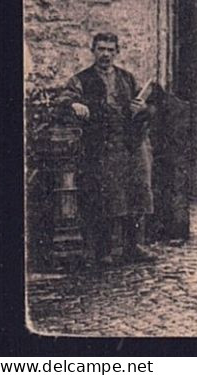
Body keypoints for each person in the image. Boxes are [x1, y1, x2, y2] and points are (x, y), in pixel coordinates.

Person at [58, 31, 154, 265]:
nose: (106, 55)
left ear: (117, 52)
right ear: (93, 51)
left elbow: (147, 107)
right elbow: (63, 100)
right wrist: (75, 104)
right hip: (101, 144)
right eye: (101, 49)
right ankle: (104, 250)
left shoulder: (127, 78)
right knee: (105, 196)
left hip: (130, 142)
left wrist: (142, 107)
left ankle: (133, 246)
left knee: (137, 191)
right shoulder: (82, 79)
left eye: (111, 50)